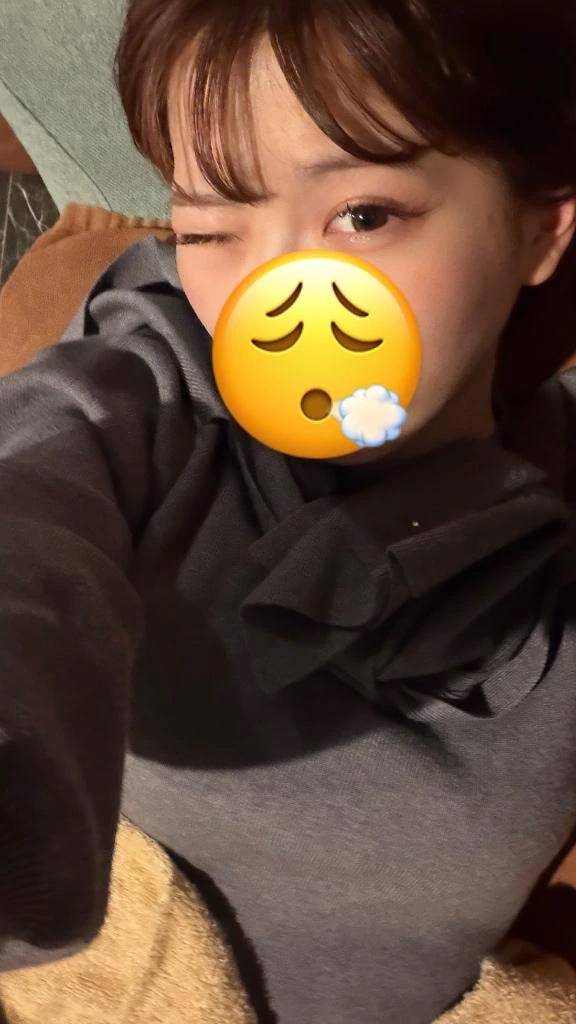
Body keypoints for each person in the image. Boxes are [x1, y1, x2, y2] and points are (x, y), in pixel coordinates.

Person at [0, 2, 576, 1022]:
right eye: (209, 228)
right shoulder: (145, 402)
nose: (277, 299)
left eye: (364, 215)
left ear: (541, 227)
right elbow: (33, 494)